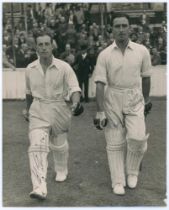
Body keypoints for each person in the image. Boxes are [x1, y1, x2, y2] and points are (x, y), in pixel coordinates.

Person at [93, 13, 152, 195]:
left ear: (130, 28)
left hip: (134, 97)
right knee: (114, 143)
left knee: (138, 138)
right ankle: (118, 181)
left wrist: (146, 99)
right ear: (111, 29)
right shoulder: (104, 55)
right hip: (113, 98)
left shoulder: (142, 51)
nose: (121, 30)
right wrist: (100, 111)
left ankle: (132, 172)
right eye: (117, 26)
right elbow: (100, 84)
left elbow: (146, 77)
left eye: (124, 26)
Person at [25, 31, 83, 200]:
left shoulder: (64, 67)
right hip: (38, 109)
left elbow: (74, 88)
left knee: (59, 145)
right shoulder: (30, 69)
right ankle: (39, 187)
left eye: (46, 44)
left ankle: (61, 168)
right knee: (37, 146)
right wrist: (28, 111)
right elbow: (29, 93)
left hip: (59, 108)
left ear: (52, 46)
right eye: (40, 44)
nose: (43, 48)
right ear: (36, 47)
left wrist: (75, 102)